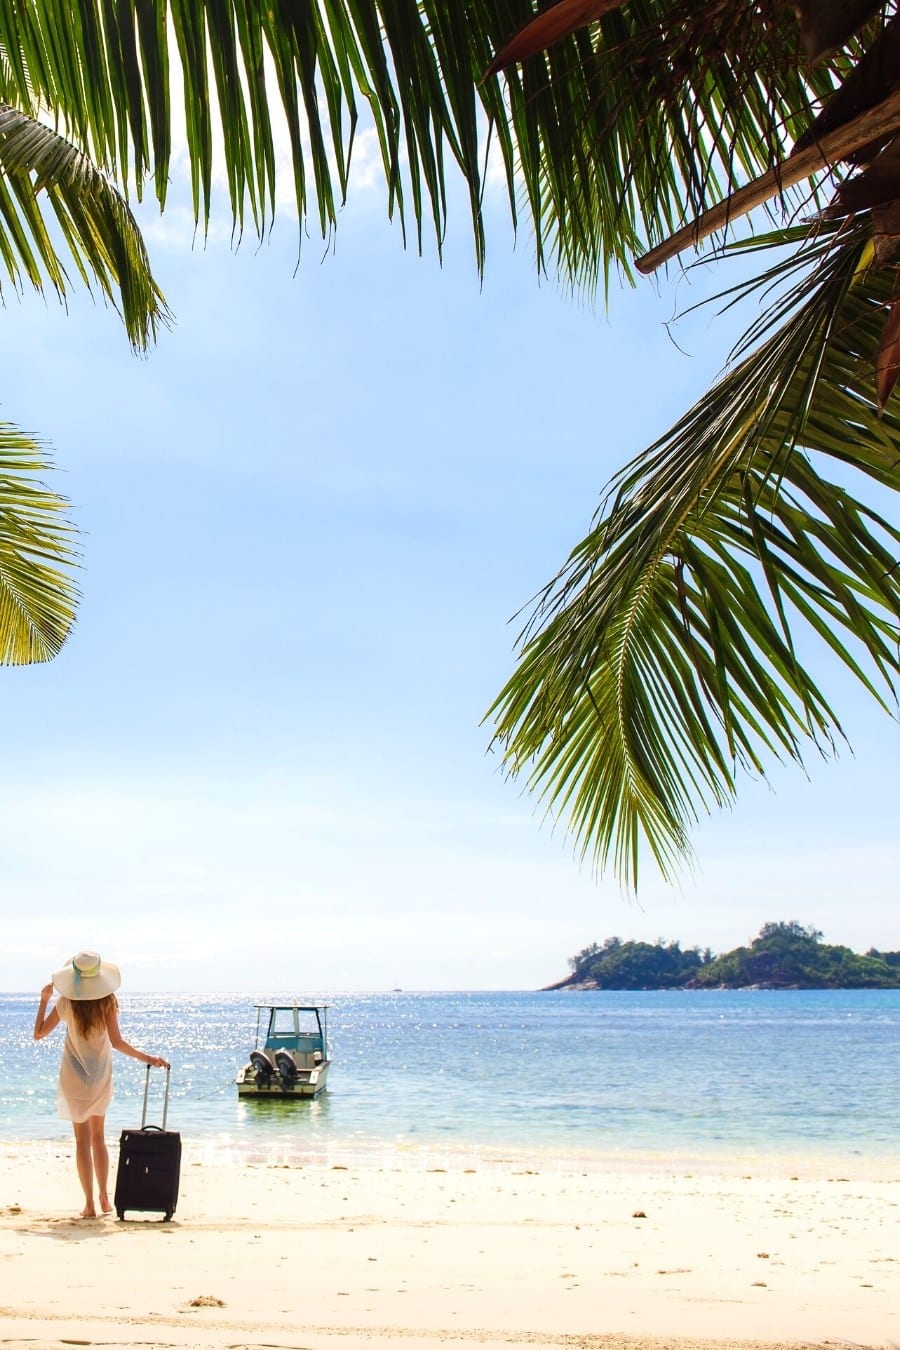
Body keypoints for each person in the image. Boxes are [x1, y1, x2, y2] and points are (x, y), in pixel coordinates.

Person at [33, 950, 171, 1218]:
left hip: (73, 1078)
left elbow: (38, 1034)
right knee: (98, 1138)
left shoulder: (65, 1003)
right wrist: (149, 1058)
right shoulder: (107, 1002)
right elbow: (117, 1043)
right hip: (99, 1078)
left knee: (81, 1141)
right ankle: (105, 1198)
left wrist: (43, 1000)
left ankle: (89, 1205)